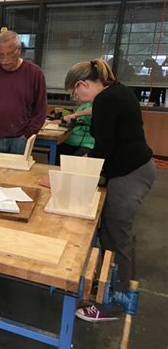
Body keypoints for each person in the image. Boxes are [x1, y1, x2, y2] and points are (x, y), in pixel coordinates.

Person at [64, 59, 155, 322]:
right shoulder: (117, 91)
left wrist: (72, 175)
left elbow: (102, 149)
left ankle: (117, 303)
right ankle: (111, 286)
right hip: (135, 169)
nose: (77, 99)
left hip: (130, 175)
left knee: (116, 237)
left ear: (82, 84)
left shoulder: (105, 100)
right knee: (114, 233)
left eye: (75, 92)